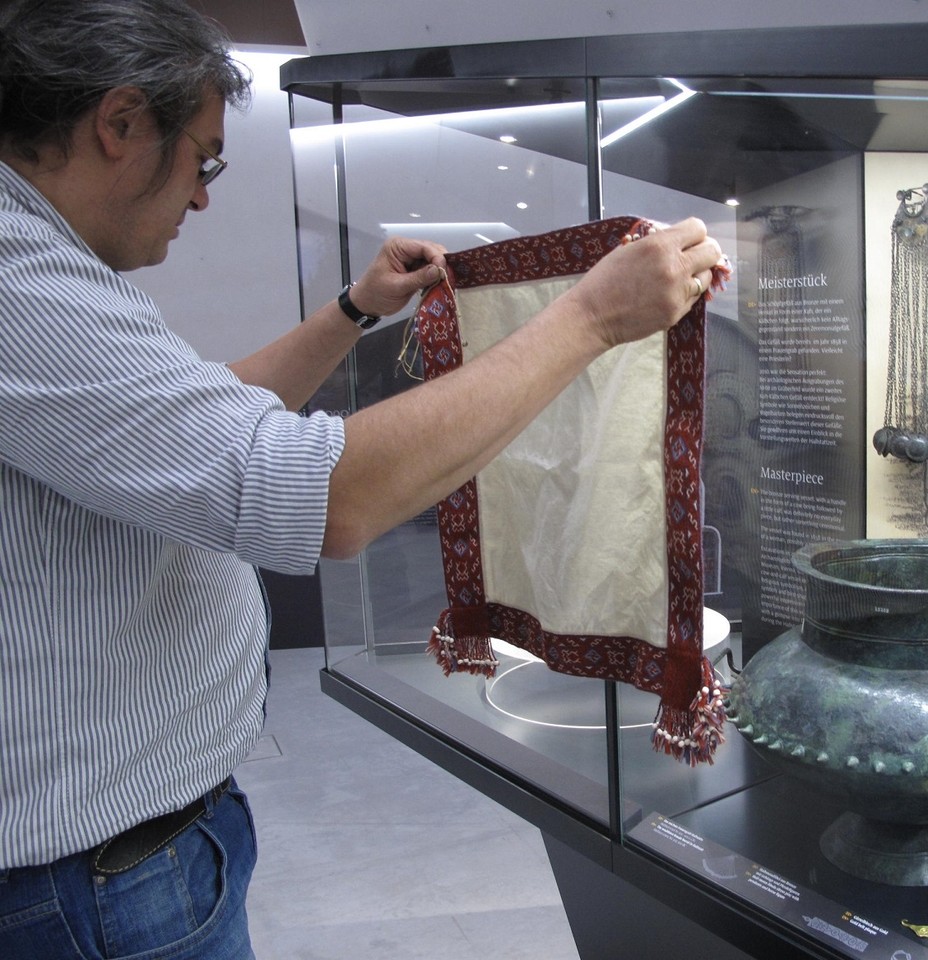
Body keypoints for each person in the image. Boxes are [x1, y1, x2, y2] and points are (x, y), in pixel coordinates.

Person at [0, 1, 724, 957]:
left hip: (126, 857)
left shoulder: (53, 269)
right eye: (204, 160)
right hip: (93, 884)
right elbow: (321, 500)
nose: (205, 197)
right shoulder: (19, 277)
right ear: (122, 121)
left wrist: (349, 311)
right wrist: (589, 319)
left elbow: (191, 426)